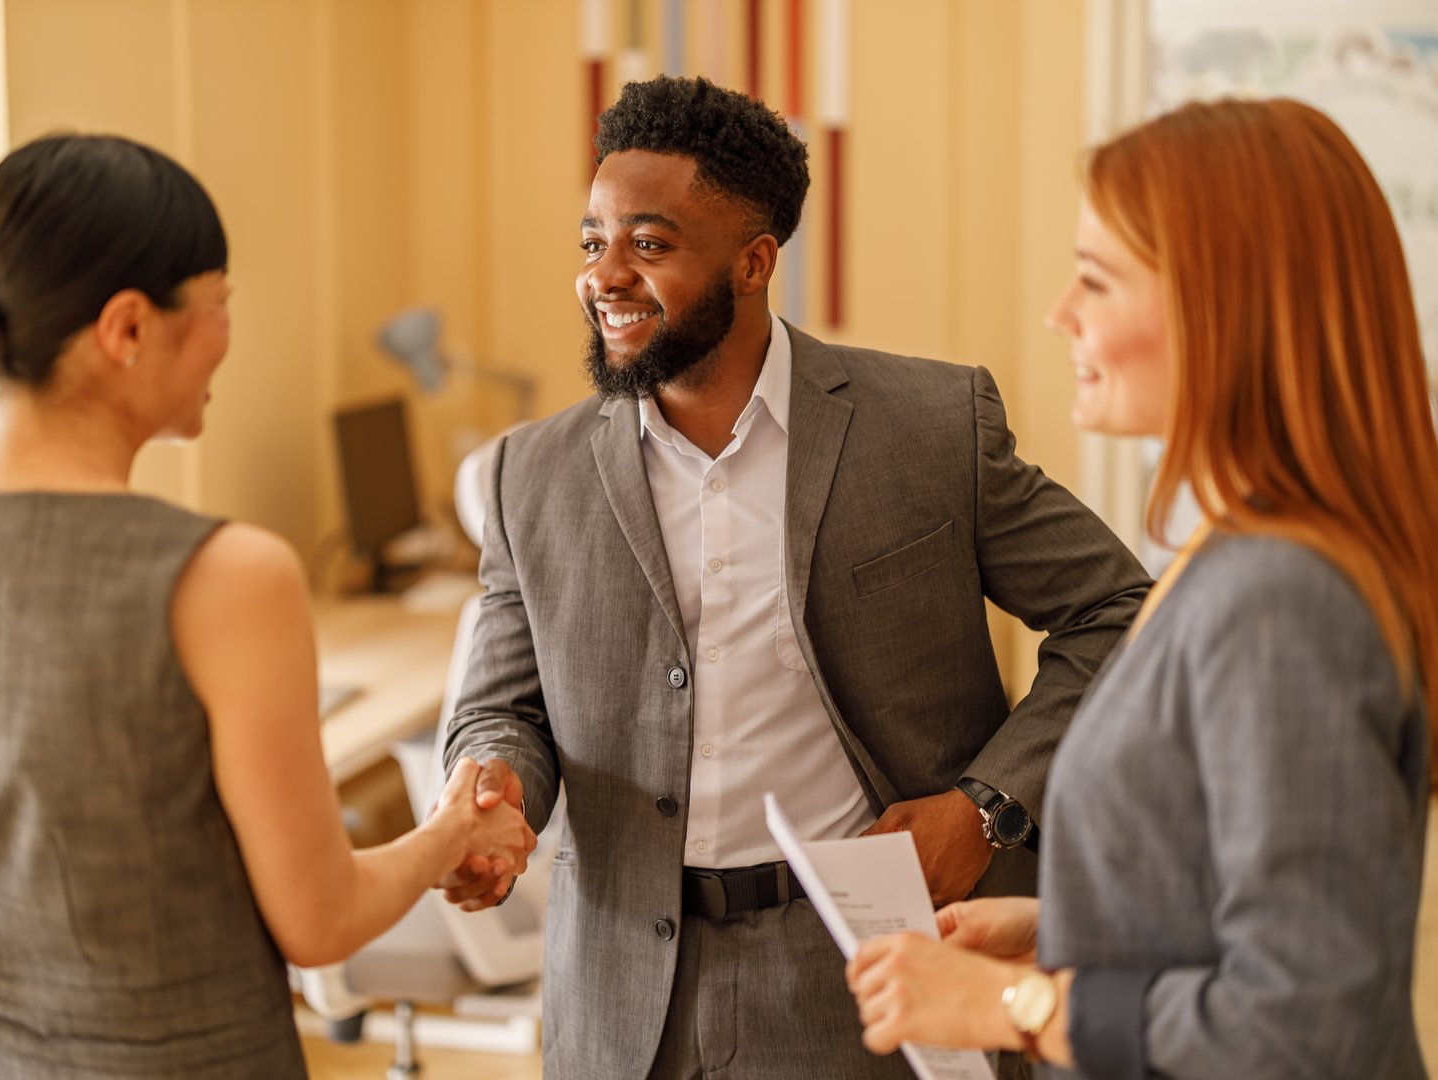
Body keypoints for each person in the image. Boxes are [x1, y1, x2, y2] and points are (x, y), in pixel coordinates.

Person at [438, 75, 1152, 1080]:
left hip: (868, 970)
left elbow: (1123, 614)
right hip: (621, 1003)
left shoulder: (929, 427)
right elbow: (502, 706)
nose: (605, 274)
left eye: (648, 244)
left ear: (754, 260)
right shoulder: (528, 476)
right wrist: (495, 786)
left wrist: (985, 804)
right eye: (592, 240)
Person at [0, 134, 534, 1079]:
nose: (229, 335)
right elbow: (318, 923)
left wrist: (27, 885)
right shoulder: (229, 578)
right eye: (219, 303)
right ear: (128, 329)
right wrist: (449, 830)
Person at [846, 97, 1438, 1080]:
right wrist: (1077, 937)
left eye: (1096, 281)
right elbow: (1231, 904)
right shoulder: (1233, 555)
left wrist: (1019, 1003)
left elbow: (1307, 1018)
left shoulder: (1282, 595)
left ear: (1225, 308)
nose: (1059, 314)